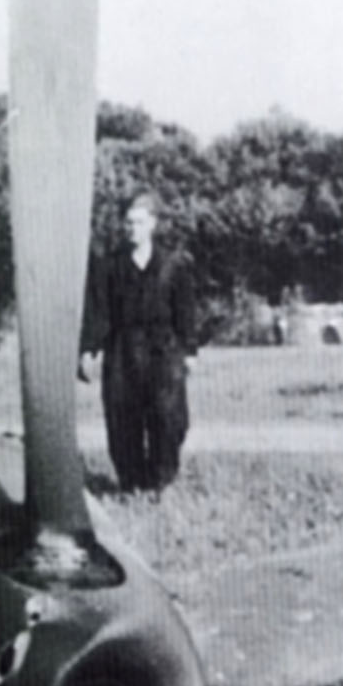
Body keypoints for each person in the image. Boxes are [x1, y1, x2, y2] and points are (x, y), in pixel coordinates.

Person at [80, 192, 198, 492]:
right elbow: (98, 311)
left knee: (168, 417)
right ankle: (132, 483)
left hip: (163, 350)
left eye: (139, 222)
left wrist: (189, 350)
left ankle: (161, 480)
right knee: (123, 418)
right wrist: (89, 349)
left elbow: (185, 311)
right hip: (123, 350)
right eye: (128, 222)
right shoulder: (110, 266)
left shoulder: (174, 264)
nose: (132, 229)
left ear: (153, 224)